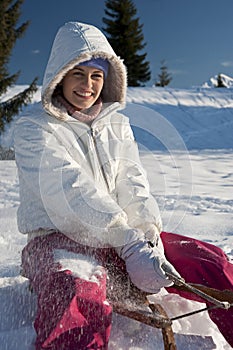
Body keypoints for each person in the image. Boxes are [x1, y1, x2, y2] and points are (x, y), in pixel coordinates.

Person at [14, 21, 233, 350]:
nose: (88, 85)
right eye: (78, 73)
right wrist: (129, 243)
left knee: (209, 261)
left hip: (123, 237)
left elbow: (133, 183)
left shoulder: (116, 124)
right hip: (58, 238)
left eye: (97, 75)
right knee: (77, 290)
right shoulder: (34, 129)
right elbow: (70, 192)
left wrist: (146, 236)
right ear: (60, 74)